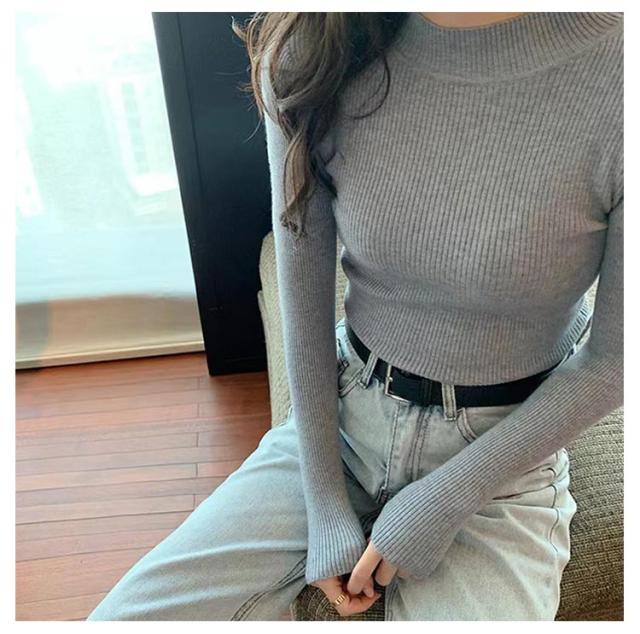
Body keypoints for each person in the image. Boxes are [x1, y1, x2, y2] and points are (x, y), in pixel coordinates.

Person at [87, 11, 623, 621]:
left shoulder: (617, 74)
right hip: (347, 413)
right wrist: (322, 498)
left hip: (505, 456)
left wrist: (446, 498)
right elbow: (303, 291)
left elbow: (614, 359)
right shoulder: (313, 43)